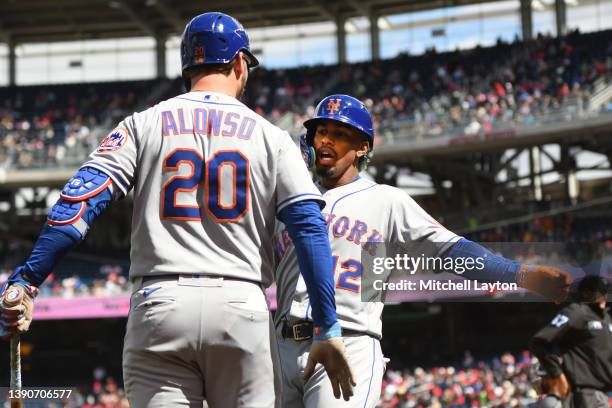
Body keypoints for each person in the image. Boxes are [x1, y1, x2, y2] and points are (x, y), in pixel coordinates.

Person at [0, 13, 356, 408]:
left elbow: (78, 203)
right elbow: (309, 227)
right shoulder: (272, 137)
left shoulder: (142, 124)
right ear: (239, 62)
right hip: (241, 305)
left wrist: (28, 279)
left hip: (159, 303)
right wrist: (327, 324)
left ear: (187, 65)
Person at [273, 94, 572, 408]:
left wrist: (523, 275)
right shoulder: (289, 200)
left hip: (350, 340)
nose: (326, 140)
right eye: (321, 132)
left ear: (363, 146)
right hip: (281, 345)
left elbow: (452, 251)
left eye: (339, 134)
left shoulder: (386, 201)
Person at [530, 275, 612, 408]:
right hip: (586, 395)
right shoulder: (576, 312)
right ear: (586, 293)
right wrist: (557, 374)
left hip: (604, 394)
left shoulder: (606, 319)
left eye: (606, 292)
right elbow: (539, 342)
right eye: (601, 291)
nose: (604, 296)